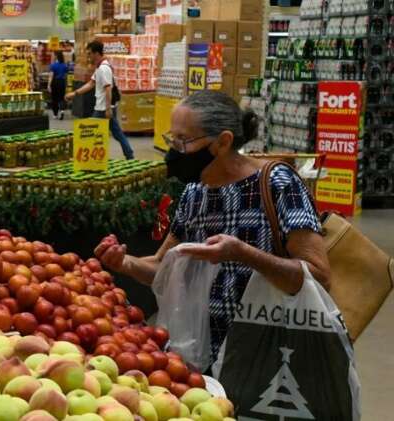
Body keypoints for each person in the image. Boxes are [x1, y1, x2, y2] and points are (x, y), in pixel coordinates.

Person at [94, 90, 331, 367]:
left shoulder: (278, 184)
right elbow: (164, 268)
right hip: (203, 355)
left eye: (183, 141)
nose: (174, 151)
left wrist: (244, 254)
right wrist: (126, 263)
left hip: (270, 354)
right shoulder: (195, 193)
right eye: (173, 139)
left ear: (223, 142)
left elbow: (318, 277)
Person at [65, 40, 134, 160]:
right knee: (117, 134)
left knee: (89, 131)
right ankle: (129, 155)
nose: (89, 56)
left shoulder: (104, 68)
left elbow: (108, 89)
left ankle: (87, 157)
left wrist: (108, 109)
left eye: (90, 53)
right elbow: (91, 84)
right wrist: (74, 93)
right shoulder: (99, 68)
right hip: (103, 107)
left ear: (97, 53)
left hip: (103, 108)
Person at [48, 51, 68, 120]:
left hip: (55, 82)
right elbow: (65, 76)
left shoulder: (53, 65)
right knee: (62, 98)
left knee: (54, 98)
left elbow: (51, 76)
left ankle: (55, 114)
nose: (53, 56)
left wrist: (49, 85)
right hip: (62, 82)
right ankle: (62, 111)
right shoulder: (65, 65)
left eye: (53, 55)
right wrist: (66, 84)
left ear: (56, 56)